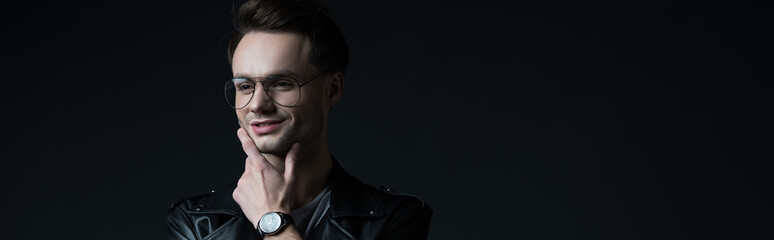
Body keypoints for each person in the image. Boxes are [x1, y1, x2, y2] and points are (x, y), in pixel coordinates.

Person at [167, 0, 433, 239]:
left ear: (332, 90)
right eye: (245, 86)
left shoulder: (395, 220)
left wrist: (271, 220)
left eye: (282, 83)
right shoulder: (197, 224)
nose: (257, 104)